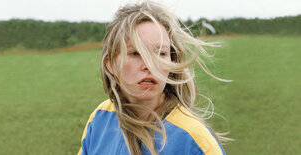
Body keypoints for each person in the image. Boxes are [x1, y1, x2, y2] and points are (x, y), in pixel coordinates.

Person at [78, 1, 229, 155]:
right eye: (136, 53)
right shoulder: (100, 117)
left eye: (161, 54)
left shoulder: (194, 140)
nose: (150, 66)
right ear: (110, 65)